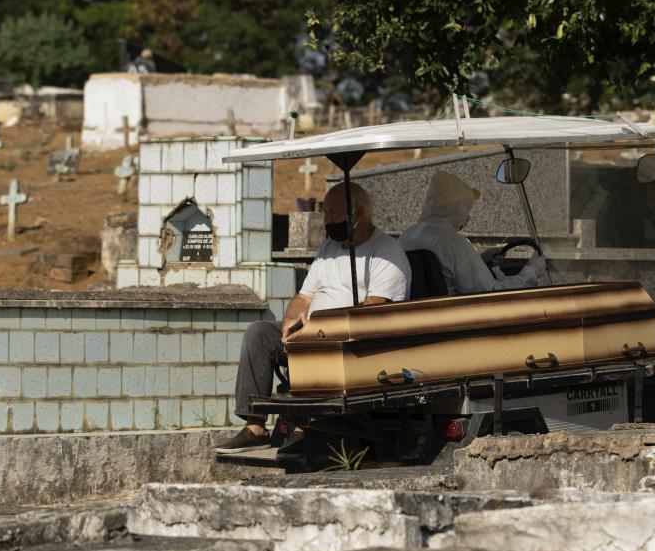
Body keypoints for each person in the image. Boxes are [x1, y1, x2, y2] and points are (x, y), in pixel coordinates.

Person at [215, 182, 411, 458]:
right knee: (259, 333)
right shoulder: (329, 248)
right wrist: (291, 321)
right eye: (325, 212)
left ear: (358, 213)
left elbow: (374, 311)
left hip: (352, 344)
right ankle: (255, 426)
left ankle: (303, 428)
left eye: (333, 213)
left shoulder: (387, 253)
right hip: (312, 333)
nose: (327, 220)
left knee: (314, 347)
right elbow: (304, 297)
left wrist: (321, 328)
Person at [398, 171, 547, 294]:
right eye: (467, 208)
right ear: (457, 208)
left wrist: (480, 260)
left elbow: (445, 272)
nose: (468, 215)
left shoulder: (406, 236)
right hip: (454, 317)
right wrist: (532, 272)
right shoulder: (456, 244)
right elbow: (490, 292)